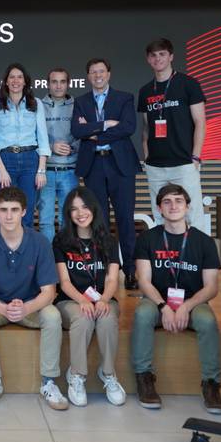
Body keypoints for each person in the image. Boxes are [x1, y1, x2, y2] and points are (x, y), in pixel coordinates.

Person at [131, 184, 221, 414]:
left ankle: (211, 384)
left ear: (188, 206)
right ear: (159, 208)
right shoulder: (147, 239)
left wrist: (186, 306)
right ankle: (144, 377)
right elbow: (143, 280)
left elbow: (212, 287)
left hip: (193, 302)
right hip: (156, 301)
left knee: (208, 321)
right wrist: (163, 306)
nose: (173, 206)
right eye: (167, 202)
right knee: (142, 313)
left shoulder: (204, 241)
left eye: (179, 201)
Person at [0, 186, 65, 410]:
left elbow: (49, 292)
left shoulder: (40, 242)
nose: (9, 215)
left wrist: (26, 308)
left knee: (52, 315)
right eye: (3, 210)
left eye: (14, 210)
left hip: (31, 307)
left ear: (24, 212)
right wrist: (4, 309)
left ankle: (49, 382)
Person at [71, 58, 141, 290]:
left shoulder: (124, 98)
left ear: (108, 74)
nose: (98, 75)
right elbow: (77, 130)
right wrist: (105, 125)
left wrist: (95, 133)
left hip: (120, 166)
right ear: (88, 76)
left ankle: (130, 271)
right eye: (93, 72)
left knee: (125, 220)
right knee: (98, 222)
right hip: (94, 167)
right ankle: (101, 272)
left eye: (101, 71)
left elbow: (128, 127)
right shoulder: (80, 101)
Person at [52, 187, 125, 407]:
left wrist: (103, 299)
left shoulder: (109, 241)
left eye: (84, 207)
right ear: (68, 213)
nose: (80, 213)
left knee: (107, 316)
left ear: (94, 208)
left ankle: (109, 374)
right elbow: (64, 282)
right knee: (83, 317)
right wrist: (83, 300)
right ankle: (77, 375)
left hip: (104, 297)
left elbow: (112, 280)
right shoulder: (61, 241)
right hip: (70, 300)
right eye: (74, 209)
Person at [139, 38, 207, 232]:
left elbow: (200, 121)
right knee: (160, 215)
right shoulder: (145, 91)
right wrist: (147, 157)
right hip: (156, 166)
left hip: (184, 162)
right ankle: (166, 259)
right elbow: (146, 127)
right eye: (153, 55)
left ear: (171, 56)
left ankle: (197, 260)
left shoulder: (189, 84)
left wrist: (195, 156)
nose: (157, 58)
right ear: (148, 59)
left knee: (192, 214)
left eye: (162, 54)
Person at [0, 63, 50, 229]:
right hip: (5, 160)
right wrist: (1, 170)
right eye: (12, 77)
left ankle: (25, 254)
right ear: (6, 82)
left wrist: (41, 170)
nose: (16, 80)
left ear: (25, 82)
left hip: (30, 160)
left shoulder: (35, 103)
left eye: (19, 77)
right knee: (5, 212)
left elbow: (43, 139)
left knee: (26, 213)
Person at [38, 67, 80, 249]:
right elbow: (32, 135)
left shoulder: (78, 105)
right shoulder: (38, 105)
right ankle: (49, 262)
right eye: (54, 81)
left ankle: (65, 259)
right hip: (46, 171)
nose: (58, 86)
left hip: (69, 171)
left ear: (68, 84)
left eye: (62, 81)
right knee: (45, 220)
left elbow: (84, 134)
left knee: (68, 219)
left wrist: (72, 148)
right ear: (48, 84)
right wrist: (50, 147)